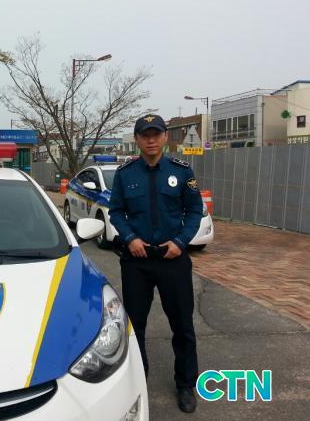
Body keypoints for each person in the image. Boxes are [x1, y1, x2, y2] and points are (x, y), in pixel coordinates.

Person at [109, 114, 202, 413]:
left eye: (156, 134)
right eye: (145, 135)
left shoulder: (181, 172)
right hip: (137, 262)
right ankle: (139, 381)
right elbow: (116, 211)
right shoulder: (125, 174)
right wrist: (130, 238)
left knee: (183, 325)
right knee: (135, 327)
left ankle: (186, 384)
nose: (151, 140)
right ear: (137, 139)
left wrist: (181, 242)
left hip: (173, 260)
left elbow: (194, 211)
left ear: (164, 137)